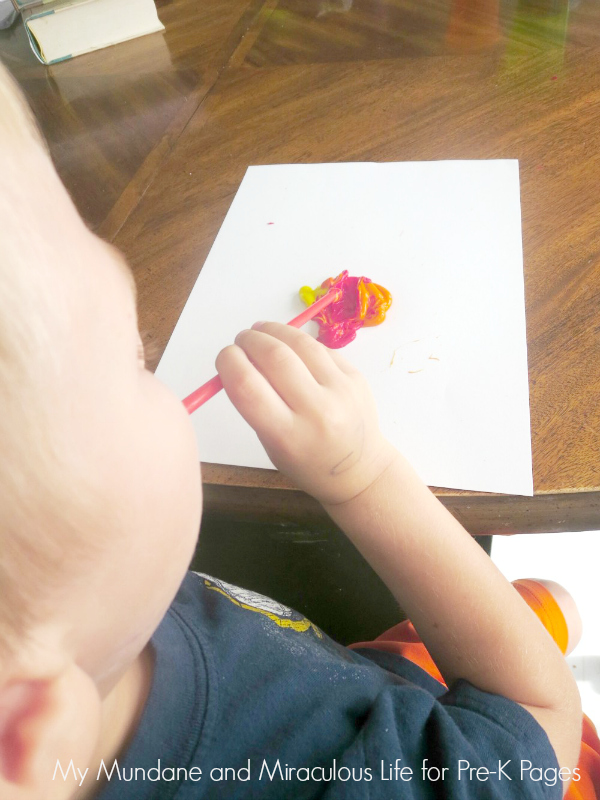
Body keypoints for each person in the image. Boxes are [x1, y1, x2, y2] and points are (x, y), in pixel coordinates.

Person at [0, 60, 589, 800]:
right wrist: (363, 474)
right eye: (133, 360)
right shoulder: (362, 778)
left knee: (542, 603)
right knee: (548, 626)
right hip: (482, 736)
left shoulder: (81, 618)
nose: (155, 352)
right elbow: (539, 721)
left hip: (350, 669)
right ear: (26, 728)